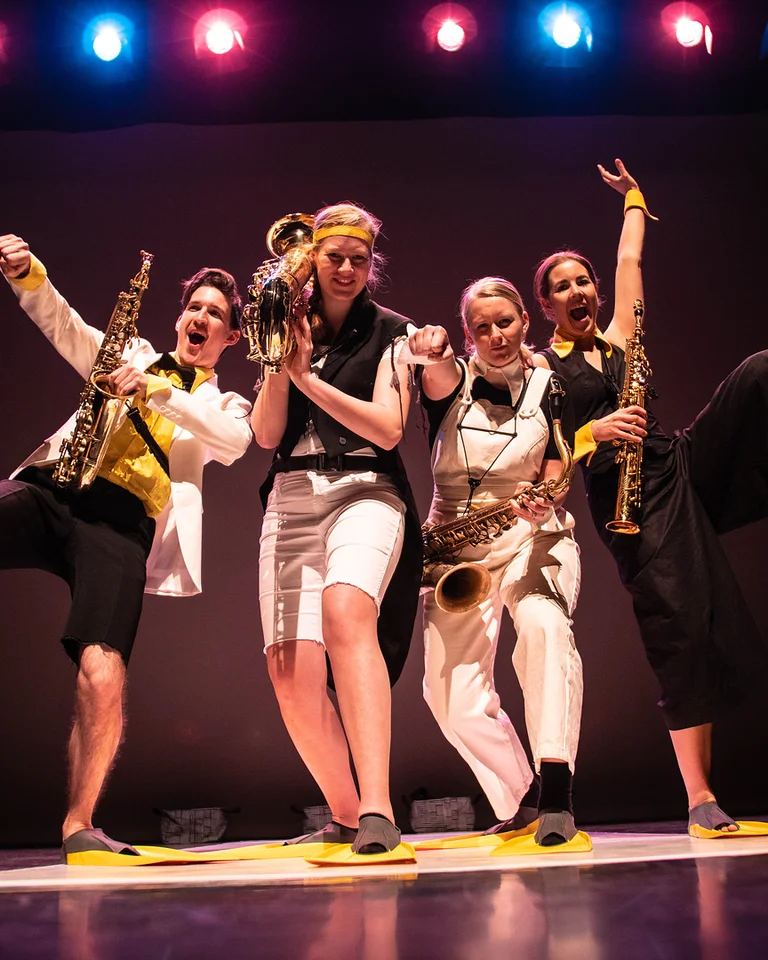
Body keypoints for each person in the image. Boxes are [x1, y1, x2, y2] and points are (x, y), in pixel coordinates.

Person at [533, 160, 768, 838]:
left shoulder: (620, 340)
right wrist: (594, 432)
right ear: (546, 306)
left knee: (759, 372)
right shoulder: (543, 371)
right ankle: (700, 796)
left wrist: (634, 198)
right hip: (626, 501)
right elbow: (550, 465)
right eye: (561, 287)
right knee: (681, 632)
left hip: (676, 462)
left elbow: (629, 258)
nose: (577, 290)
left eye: (583, 281)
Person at [0, 233, 252, 862]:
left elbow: (232, 441)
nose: (200, 317)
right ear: (180, 316)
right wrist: (29, 274)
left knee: (104, 667)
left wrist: (157, 392)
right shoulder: (132, 353)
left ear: (230, 338)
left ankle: (79, 826)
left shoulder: (222, 401)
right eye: (195, 306)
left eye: (215, 314)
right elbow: (67, 328)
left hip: (119, 528)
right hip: (56, 489)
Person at [251, 202, 422, 861]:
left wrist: (305, 378)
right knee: (288, 671)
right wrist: (279, 361)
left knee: (347, 611)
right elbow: (267, 433)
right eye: (334, 257)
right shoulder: (286, 324)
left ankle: (379, 807)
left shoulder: (394, 331)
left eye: (359, 258)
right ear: (313, 260)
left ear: (371, 264)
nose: (346, 268)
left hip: (367, 488)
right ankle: (347, 816)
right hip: (291, 493)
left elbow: (388, 428)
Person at [408, 276, 586, 850]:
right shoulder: (451, 382)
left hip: (530, 530)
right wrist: (434, 350)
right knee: (450, 699)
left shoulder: (551, 386)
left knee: (544, 628)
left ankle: (556, 793)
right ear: (468, 334)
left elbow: (558, 463)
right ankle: (525, 798)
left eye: (504, 322)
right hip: (455, 544)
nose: (495, 335)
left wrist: (545, 498)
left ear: (524, 322)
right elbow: (436, 369)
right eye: (481, 327)